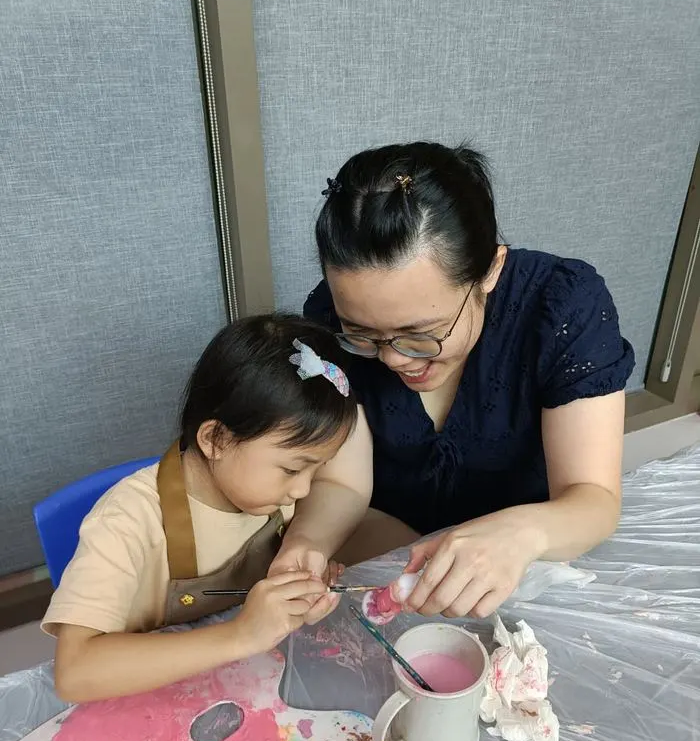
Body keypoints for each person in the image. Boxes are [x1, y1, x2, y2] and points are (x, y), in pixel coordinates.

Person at [305, 141, 635, 620]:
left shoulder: (561, 305)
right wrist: (309, 545)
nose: (394, 359)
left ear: (489, 271)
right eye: (364, 334)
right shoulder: (326, 318)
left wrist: (523, 533)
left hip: (524, 562)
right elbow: (345, 484)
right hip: (385, 548)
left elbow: (594, 500)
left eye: (421, 335)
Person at [42, 315, 372, 702]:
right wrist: (241, 634)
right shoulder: (127, 522)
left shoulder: (267, 492)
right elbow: (75, 672)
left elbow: (340, 479)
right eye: (293, 468)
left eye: (317, 468)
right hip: (144, 701)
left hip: (243, 688)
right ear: (215, 438)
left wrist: (294, 591)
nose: (302, 490)